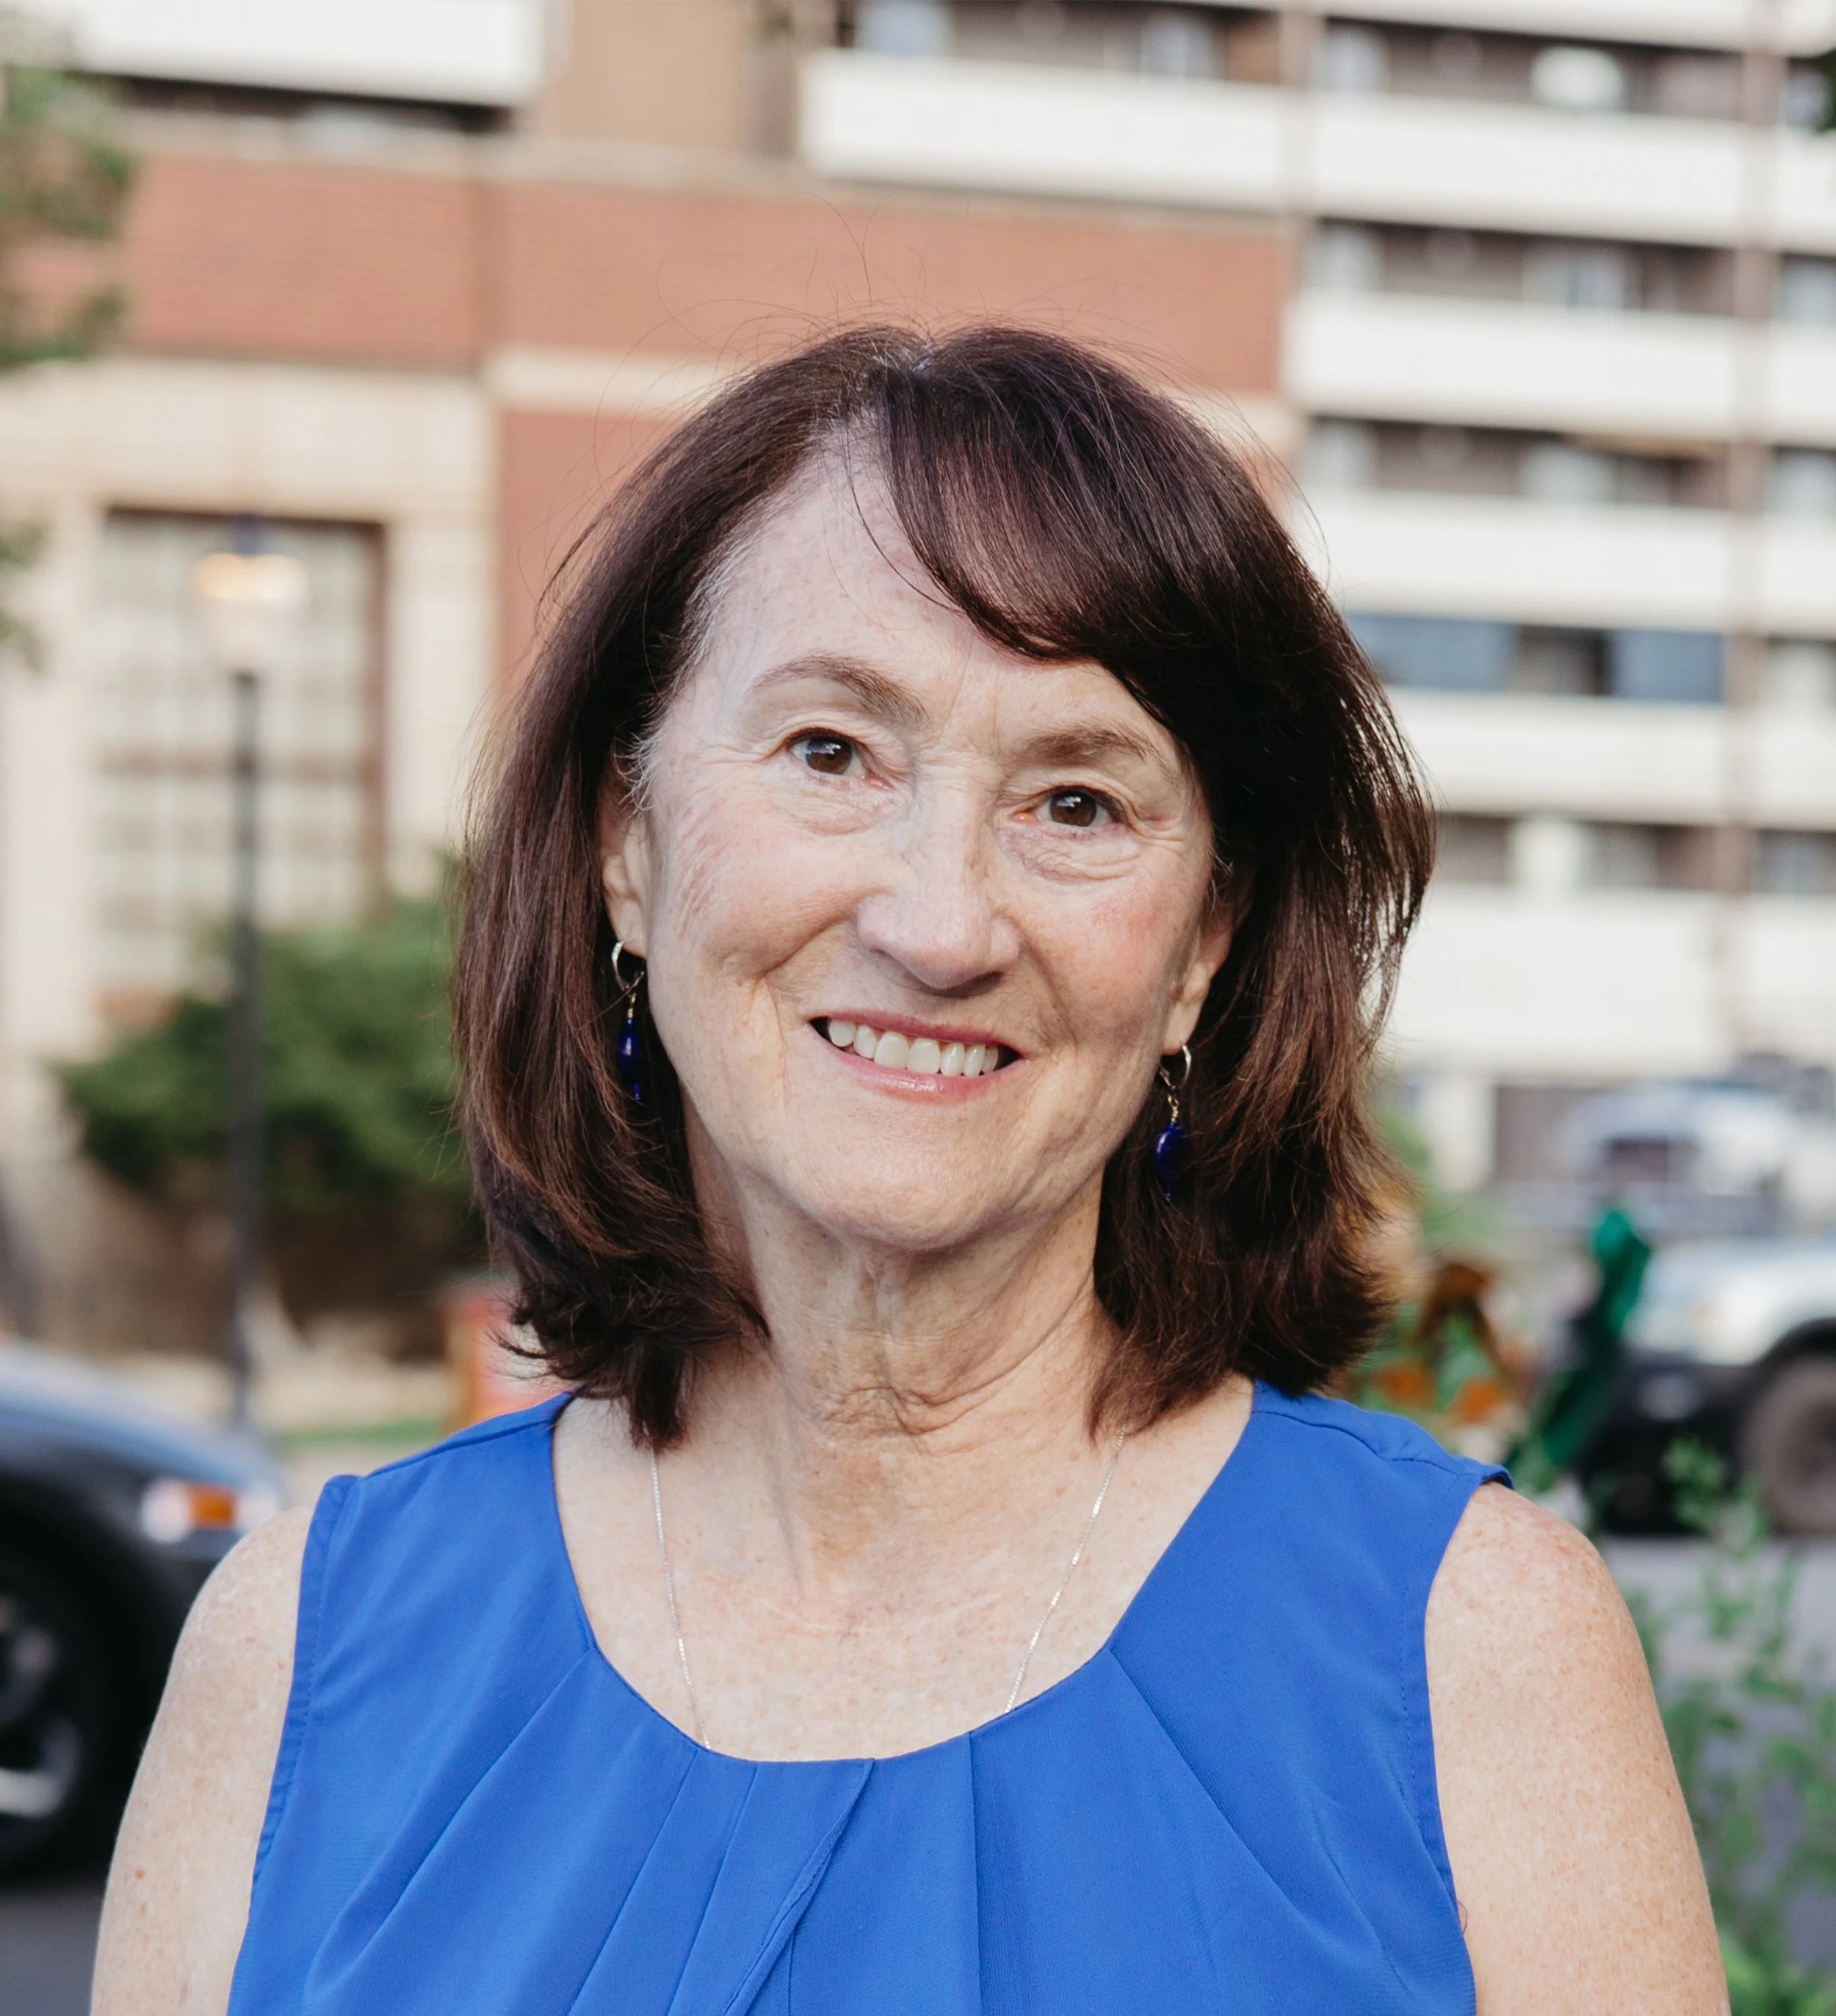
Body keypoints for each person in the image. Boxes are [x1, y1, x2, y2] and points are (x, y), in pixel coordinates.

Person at [94, 325, 1724, 2015]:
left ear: (1198, 948)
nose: (939, 924)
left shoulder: (1467, 1655)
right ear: (624, 844)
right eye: (830, 752)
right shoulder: (298, 1656)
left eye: (1076, 802)